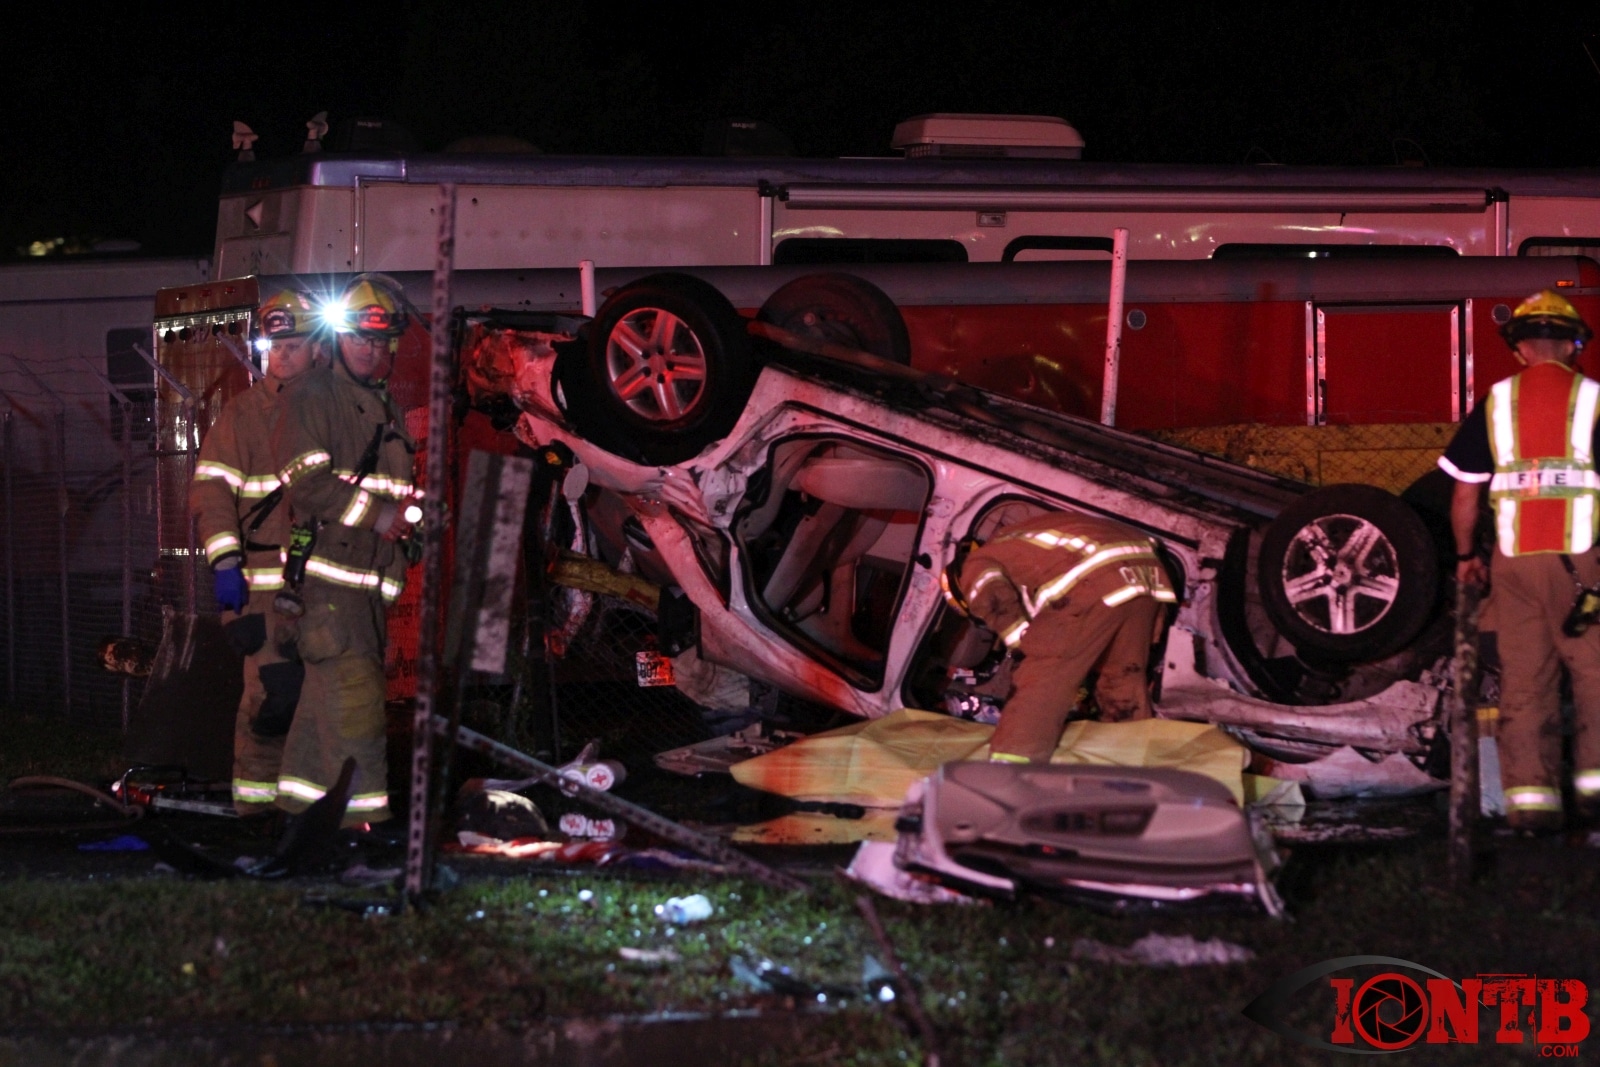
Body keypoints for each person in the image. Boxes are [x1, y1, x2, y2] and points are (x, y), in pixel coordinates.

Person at [1440, 289, 1600, 833]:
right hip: (1583, 566)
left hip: (1513, 566)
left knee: (1525, 685)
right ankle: (1595, 795)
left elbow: (1464, 495)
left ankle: (1531, 806)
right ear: (1575, 346)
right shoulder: (1594, 400)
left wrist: (1466, 556)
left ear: (1520, 349)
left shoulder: (1496, 404)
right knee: (1594, 677)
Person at [271, 274, 419, 828]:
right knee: (357, 705)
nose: (370, 350)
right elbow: (305, 482)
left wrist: (415, 522)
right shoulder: (312, 395)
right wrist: (380, 516)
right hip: (329, 587)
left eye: (380, 342)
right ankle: (364, 827)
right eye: (359, 338)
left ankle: (298, 813)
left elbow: (393, 492)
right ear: (338, 340)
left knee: (321, 711)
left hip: (365, 587)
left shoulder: (382, 406)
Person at [190, 289, 325, 816]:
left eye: (293, 346)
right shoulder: (243, 416)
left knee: (332, 709)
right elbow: (210, 493)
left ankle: (320, 817)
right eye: (275, 347)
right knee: (272, 703)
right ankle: (257, 816)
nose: (282, 356)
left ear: (318, 348)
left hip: (332, 591)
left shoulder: (347, 412)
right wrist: (226, 566)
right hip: (266, 592)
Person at [941, 511, 1177, 764]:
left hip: (1096, 574)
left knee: (1041, 678)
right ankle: (1126, 765)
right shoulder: (1014, 545)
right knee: (1121, 680)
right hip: (1146, 574)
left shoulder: (974, 564)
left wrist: (1022, 641)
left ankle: (1011, 765)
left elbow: (992, 599)